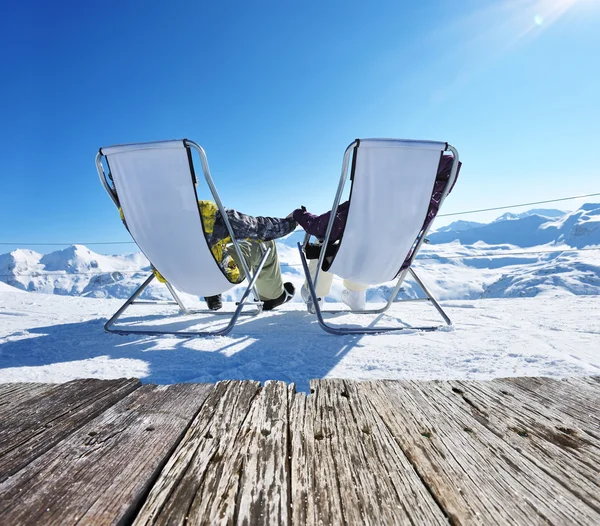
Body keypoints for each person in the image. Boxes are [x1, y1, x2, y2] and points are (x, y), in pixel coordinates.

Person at [291, 153, 462, 311]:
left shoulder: (361, 204)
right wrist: (420, 161)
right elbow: (449, 166)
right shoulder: (421, 207)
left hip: (354, 264)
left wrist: (298, 214)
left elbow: (321, 227)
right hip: (391, 266)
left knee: (324, 242)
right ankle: (356, 295)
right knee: (368, 245)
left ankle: (316, 297)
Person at [198, 200, 296, 311]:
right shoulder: (203, 210)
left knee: (212, 247)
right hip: (218, 273)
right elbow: (257, 228)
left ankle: (212, 293)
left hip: (184, 280)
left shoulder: (174, 215)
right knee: (265, 243)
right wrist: (291, 222)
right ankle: (271, 297)